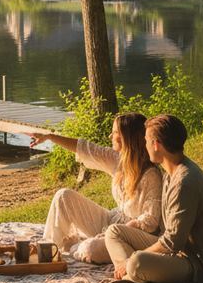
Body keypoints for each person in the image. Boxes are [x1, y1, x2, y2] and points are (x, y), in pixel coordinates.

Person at [104, 113, 203, 283]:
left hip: (199, 265)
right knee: (114, 232)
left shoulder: (184, 182)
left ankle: (137, 278)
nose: (144, 146)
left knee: (137, 261)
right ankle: (135, 278)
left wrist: (132, 257)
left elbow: (173, 242)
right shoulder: (170, 173)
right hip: (178, 252)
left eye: (146, 140)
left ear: (156, 145)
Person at [29, 113, 162, 263]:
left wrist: (112, 233)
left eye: (116, 132)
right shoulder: (118, 159)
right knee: (63, 196)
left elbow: (151, 221)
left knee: (91, 249)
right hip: (112, 221)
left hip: (132, 236)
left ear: (128, 137)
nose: (110, 135)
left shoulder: (151, 175)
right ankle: (48, 248)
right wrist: (50, 137)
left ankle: (73, 246)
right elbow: (85, 148)